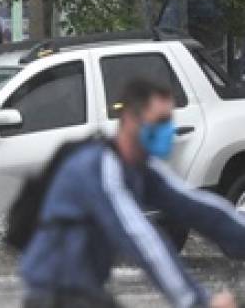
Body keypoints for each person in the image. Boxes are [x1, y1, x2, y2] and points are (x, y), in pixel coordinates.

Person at [20, 79, 245, 308]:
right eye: (160, 121)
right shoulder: (97, 167)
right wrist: (196, 302)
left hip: (87, 293)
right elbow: (140, 237)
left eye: (170, 121)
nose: (168, 130)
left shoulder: (141, 168)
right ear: (129, 120)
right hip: (54, 297)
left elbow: (198, 208)